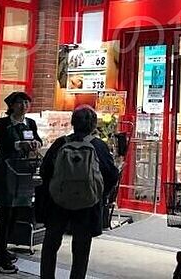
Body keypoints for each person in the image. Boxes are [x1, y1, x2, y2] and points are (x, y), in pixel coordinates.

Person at [39, 105, 118, 279]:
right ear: (93, 124)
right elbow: (112, 174)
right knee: (81, 248)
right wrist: (99, 193)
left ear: (73, 123)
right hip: (87, 203)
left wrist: (55, 187)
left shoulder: (61, 143)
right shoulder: (98, 145)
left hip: (58, 202)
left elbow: (45, 170)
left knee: (51, 243)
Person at [0, 91, 42, 274]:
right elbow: (1, 144)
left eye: (26, 103)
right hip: (6, 172)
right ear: (11, 106)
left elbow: (37, 139)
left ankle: (2, 249)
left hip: (23, 172)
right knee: (5, 213)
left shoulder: (30, 123)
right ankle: (0, 256)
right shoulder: (3, 123)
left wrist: (36, 144)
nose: (24, 106)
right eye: (19, 103)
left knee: (17, 212)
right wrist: (19, 145)